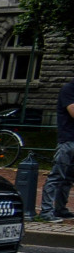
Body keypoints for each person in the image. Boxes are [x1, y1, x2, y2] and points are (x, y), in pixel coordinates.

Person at [38, 77, 74, 221]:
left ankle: (60, 208)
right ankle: (46, 212)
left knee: (68, 178)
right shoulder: (69, 89)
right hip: (67, 141)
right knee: (57, 176)